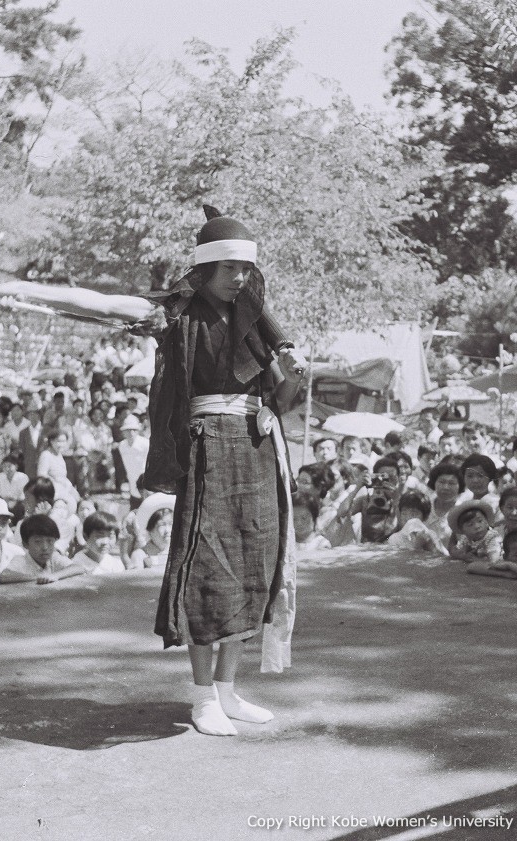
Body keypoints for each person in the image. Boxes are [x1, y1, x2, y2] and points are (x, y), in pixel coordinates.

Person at [142, 206, 303, 737]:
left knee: (253, 567)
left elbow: (280, 397)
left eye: (245, 268)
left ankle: (229, 691)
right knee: (207, 571)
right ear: (206, 267)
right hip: (207, 447)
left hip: (257, 448)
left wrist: (297, 375)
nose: (239, 277)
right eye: (229, 267)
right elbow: (108, 306)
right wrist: (25, 292)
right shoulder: (179, 316)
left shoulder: (254, 322)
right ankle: (202, 697)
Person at [0, 514, 84, 584]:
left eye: (50, 541)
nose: (45, 547)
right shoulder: (21, 560)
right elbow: (4, 576)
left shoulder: (53, 558)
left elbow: (78, 568)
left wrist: (54, 576)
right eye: (38, 542)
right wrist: (38, 577)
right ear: (25, 544)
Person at [446, 500, 502, 565]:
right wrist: (463, 556)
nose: (477, 526)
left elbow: (494, 560)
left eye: (480, 521)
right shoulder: (466, 539)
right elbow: (456, 552)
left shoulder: (492, 537)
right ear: (462, 530)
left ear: (487, 522)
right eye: (470, 525)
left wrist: (477, 560)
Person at [131, 497, 175, 569]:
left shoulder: (177, 554)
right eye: (162, 525)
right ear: (150, 529)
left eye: (171, 524)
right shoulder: (140, 555)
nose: (168, 530)